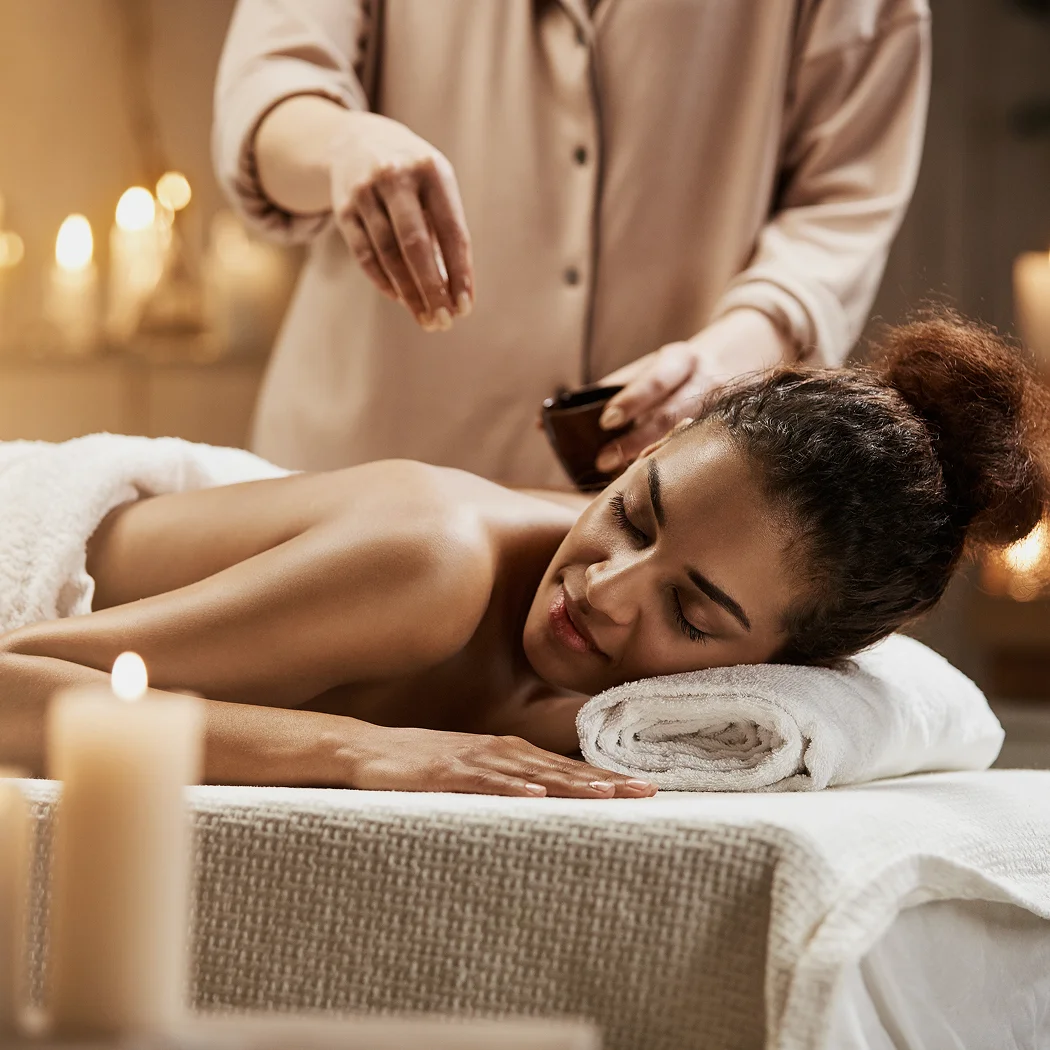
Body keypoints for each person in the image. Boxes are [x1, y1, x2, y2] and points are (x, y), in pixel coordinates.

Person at [1, 315, 1045, 796]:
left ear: (781, 666)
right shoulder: (434, 563)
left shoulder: (636, 715)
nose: (605, 588)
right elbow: (13, 688)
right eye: (632, 514)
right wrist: (357, 750)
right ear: (650, 452)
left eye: (691, 614)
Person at [212, 0, 931, 486]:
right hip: (352, 478)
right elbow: (272, 82)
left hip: (651, 522)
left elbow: (844, 199)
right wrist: (341, 143)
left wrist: (727, 362)